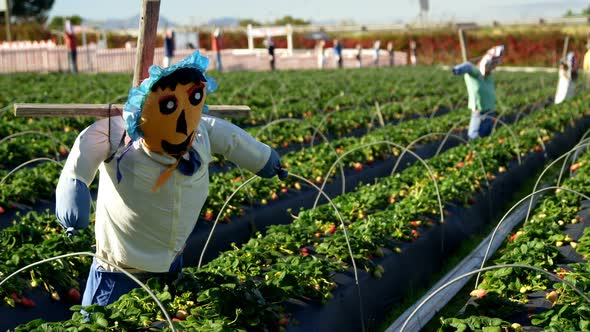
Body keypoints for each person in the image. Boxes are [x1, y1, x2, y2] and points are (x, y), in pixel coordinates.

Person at [55, 51, 287, 306]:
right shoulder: (118, 137)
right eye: (167, 107)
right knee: (103, 320)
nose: (182, 123)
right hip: (118, 268)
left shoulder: (200, 134)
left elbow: (233, 140)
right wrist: (72, 196)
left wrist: (265, 160)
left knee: (161, 317)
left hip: (170, 262)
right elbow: (82, 154)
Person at [452, 45, 505, 140]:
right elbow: (468, 66)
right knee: (474, 136)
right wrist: (458, 69)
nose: (493, 66)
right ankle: (474, 151)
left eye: (494, 64)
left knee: (486, 136)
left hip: (490, 110)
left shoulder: (489, 75)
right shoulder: (476, 73)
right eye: (491, 64)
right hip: (479, 111)